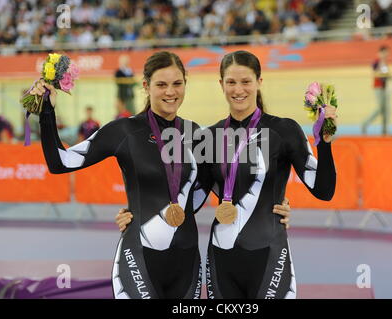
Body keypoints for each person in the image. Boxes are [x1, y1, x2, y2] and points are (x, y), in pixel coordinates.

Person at [29, 51, 290, 299]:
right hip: (139, 256)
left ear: (185, 85)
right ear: (146, 85)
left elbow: (224, 185)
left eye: (177, 83)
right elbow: (61, 163)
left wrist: (275, 207)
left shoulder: (197, 135)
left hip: (186, 262)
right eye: (161, 84)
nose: (170, 91)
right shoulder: (124, 131)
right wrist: (47, 113)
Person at [117, 50, 337, 299]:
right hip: (221, 257)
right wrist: (137, 213)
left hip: (269, 252)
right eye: (231, 82)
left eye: (246, 81)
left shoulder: (284, 131)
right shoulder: (209, 137)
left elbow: (324, 191)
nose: (238, 89)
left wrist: (325, 143)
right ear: (221, 84)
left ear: (259, 82)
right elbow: (188, 197)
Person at [362, 45, 391, 135]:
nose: (386, 54)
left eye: (387, 52)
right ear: (380, 53)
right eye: (384, 52)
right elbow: (374, 72)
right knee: (379, 109)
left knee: (386, 109)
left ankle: (385, 130)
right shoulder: (376, 61)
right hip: (378, 87)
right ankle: (365, 124)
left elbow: (386, 74)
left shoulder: (385, 63)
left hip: (384, 88)